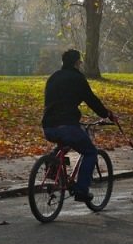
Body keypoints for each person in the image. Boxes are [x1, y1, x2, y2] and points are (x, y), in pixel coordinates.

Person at [41, 49, 117, 202]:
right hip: (67, 124)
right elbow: (91, 100)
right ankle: (82, 190)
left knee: (66, 141)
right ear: (77, 63)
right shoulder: (77, 78)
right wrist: (107, 114)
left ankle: (53, 166)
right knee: (90, 152)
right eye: (80, 62)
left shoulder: (53, 77)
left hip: (48, 126)